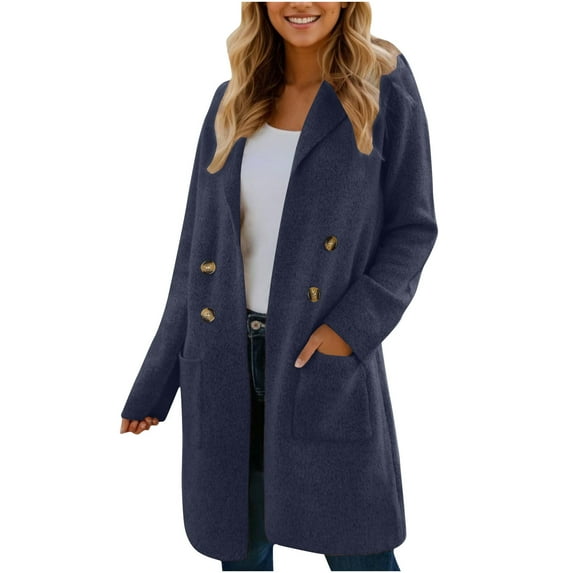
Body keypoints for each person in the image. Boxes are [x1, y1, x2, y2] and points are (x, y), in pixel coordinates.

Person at [120, 2, 437, 571]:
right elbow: (197, 253)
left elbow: (412, 228)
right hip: (223, 362)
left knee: (360, 552)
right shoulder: (232, 100)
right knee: (241, 551)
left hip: (319, 360)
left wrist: (349, 330)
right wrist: (157, 381)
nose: (300, 4)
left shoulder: (382, 84)